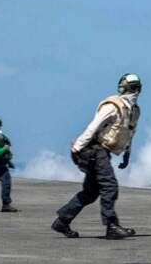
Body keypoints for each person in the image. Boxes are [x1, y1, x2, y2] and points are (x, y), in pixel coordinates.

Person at [52, 73, 141, 239]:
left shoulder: (133, 111)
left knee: (91, 192)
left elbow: (129, 132)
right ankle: (111, 226)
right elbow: (93, 127)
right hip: (94, 149)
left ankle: (62, 221)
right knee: (109, 185)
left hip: (102, 151)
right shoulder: (113, 106)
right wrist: (77, 148)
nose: (128, 89)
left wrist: (127, 154)